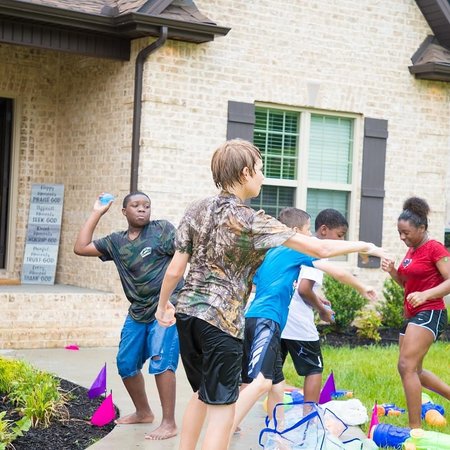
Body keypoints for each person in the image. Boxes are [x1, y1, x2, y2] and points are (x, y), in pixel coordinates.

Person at [155, 139, 386, 450]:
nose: (263, 177)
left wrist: (162, 306)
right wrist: (365, 247)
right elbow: (320, 247)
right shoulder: (252, 220)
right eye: (261, 170)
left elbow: (174, 269)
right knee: (222, 411)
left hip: (187, 316)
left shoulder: (196, 208)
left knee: (200, 394)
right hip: (221, 323)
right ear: (246, 172)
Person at [234, 208, 376, 432]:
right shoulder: (293, 249)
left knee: (277, 386)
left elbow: (262, 281)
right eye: (307, 230)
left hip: (256, 318)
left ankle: (278, 435)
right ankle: (226, 426)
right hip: (266, 320)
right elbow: (334, 269)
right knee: (261, 382)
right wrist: (362, 285)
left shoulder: (271, 252)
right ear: (293, 232)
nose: (310, 236)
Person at [73, 191, 183, 440]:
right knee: (125, 363)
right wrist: (97, 212)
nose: (142, 209)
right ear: (125, 212)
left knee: (160, 359)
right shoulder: (116, 242)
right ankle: (143, 412)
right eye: (135, 205)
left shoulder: (162, 230)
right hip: (138, 310)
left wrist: (175, 300)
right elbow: (80, 247)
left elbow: (184, 254)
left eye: (146, 205)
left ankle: (169, 423)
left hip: (165, 308)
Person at [279, 208, 376, 406]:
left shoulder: (293, 246)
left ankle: (267, 415)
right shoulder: (315, 250)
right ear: (324, 230)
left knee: (271, 373)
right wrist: (322, 310)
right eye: (339, 235)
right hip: (298, 323)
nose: (340, 242)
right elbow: (304, 289)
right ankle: (310, 417)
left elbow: (298, 283)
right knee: (314, 368)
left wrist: (318, 298)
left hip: (278, 318)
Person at [381, 196, 450, 429]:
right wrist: (392, 271)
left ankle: (414, 430)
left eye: (406, 233)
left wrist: (426, 295)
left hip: (431, 311)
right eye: (400, 232)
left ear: (422, 228)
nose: (402, 237)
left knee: (406, 366)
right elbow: (406, 283)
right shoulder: (411, 251)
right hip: (413, 314)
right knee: (415, 370)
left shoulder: (434, 248)